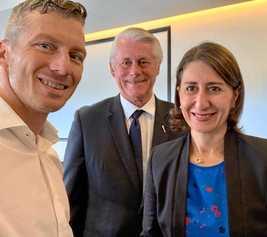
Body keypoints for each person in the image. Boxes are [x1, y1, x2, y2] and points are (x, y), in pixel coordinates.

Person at [142, 42, 267, 237]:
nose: (201, 103)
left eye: (214, 89)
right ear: (179, 94)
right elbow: (150, 233)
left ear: (235, 96)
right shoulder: (160, 159)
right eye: (191, 88)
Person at [63, 27, 182, 237]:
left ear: (157, 67)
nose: (134, 71)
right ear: (112, 69)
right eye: (126, 62)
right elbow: (71, 199)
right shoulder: (87, 120)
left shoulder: (182, 120)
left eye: (144, 62)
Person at [0, 0, 87, 237]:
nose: (62, 67)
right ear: (4, 53)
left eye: (76, 55)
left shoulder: (48, 154)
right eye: (46, 46)